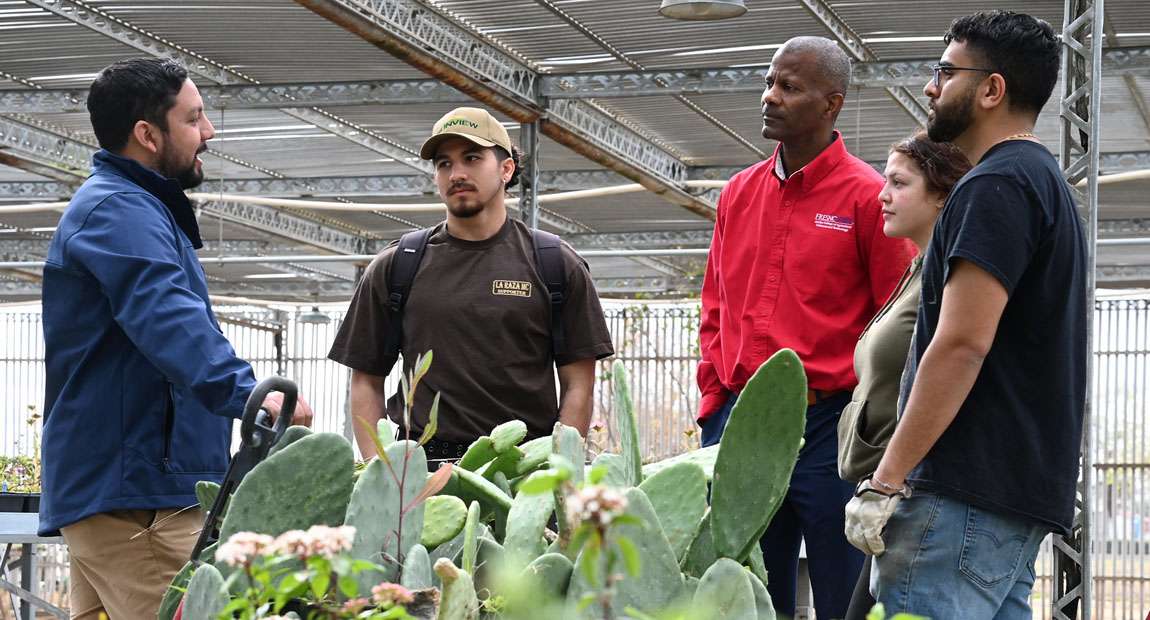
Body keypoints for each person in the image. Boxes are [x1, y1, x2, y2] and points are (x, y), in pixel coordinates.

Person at [39, 58, 313, 619]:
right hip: (140, 500)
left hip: (128, 492)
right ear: (148, 134)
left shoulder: (136, 210)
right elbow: (167, 318)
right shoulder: (119, 211)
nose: (209, 132)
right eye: (195, 118)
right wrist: (253, 397)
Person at [844, 11, 1087, 619]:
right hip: (1010, 501)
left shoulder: (995, 184)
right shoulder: (1044, 182)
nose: (931, 87)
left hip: (958, 498)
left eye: (945, 72)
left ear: (990, 89)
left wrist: (886, 479)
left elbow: (960, 345)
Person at [697, 36, 916, 619]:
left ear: (831, 104)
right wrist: (713, 405)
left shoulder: (871, 198)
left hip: (830, 429)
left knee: (843, 595)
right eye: (769, 82)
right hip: (741, 424)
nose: (770, 97)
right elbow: (715, 307)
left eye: (789, 87)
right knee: (744, 595)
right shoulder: (738, 194)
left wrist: (874, 429)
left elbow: (896, 319)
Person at [328, 106, 614, 468]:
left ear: (506, 169)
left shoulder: (555, 264)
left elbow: (578, 385)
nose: (456, 173)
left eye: (472, 158)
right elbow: (365, 381)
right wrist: (381, 472)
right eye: (444, 163)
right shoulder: (397, 265)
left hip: (522, 467)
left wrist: (555, 473)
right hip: (419, 471)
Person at [838, 131, 971, 620]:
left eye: (898, 182)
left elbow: (955, 367)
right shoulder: (918, 269)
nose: (882, 194)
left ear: (941, 195)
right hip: (893, 491)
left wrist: (890, 482)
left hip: (917, 495)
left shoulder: (949, 280)